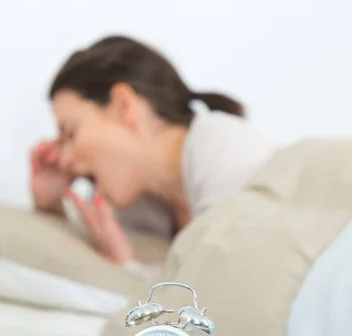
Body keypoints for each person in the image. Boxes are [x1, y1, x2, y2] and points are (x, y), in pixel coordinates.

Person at [30, 35, 276, 277]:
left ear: (123, 105)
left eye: (71, 133)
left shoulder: (223, 145)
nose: (63, 159)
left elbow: (225, 291)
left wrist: (124, 263)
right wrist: (51, 205)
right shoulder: (143, 209)